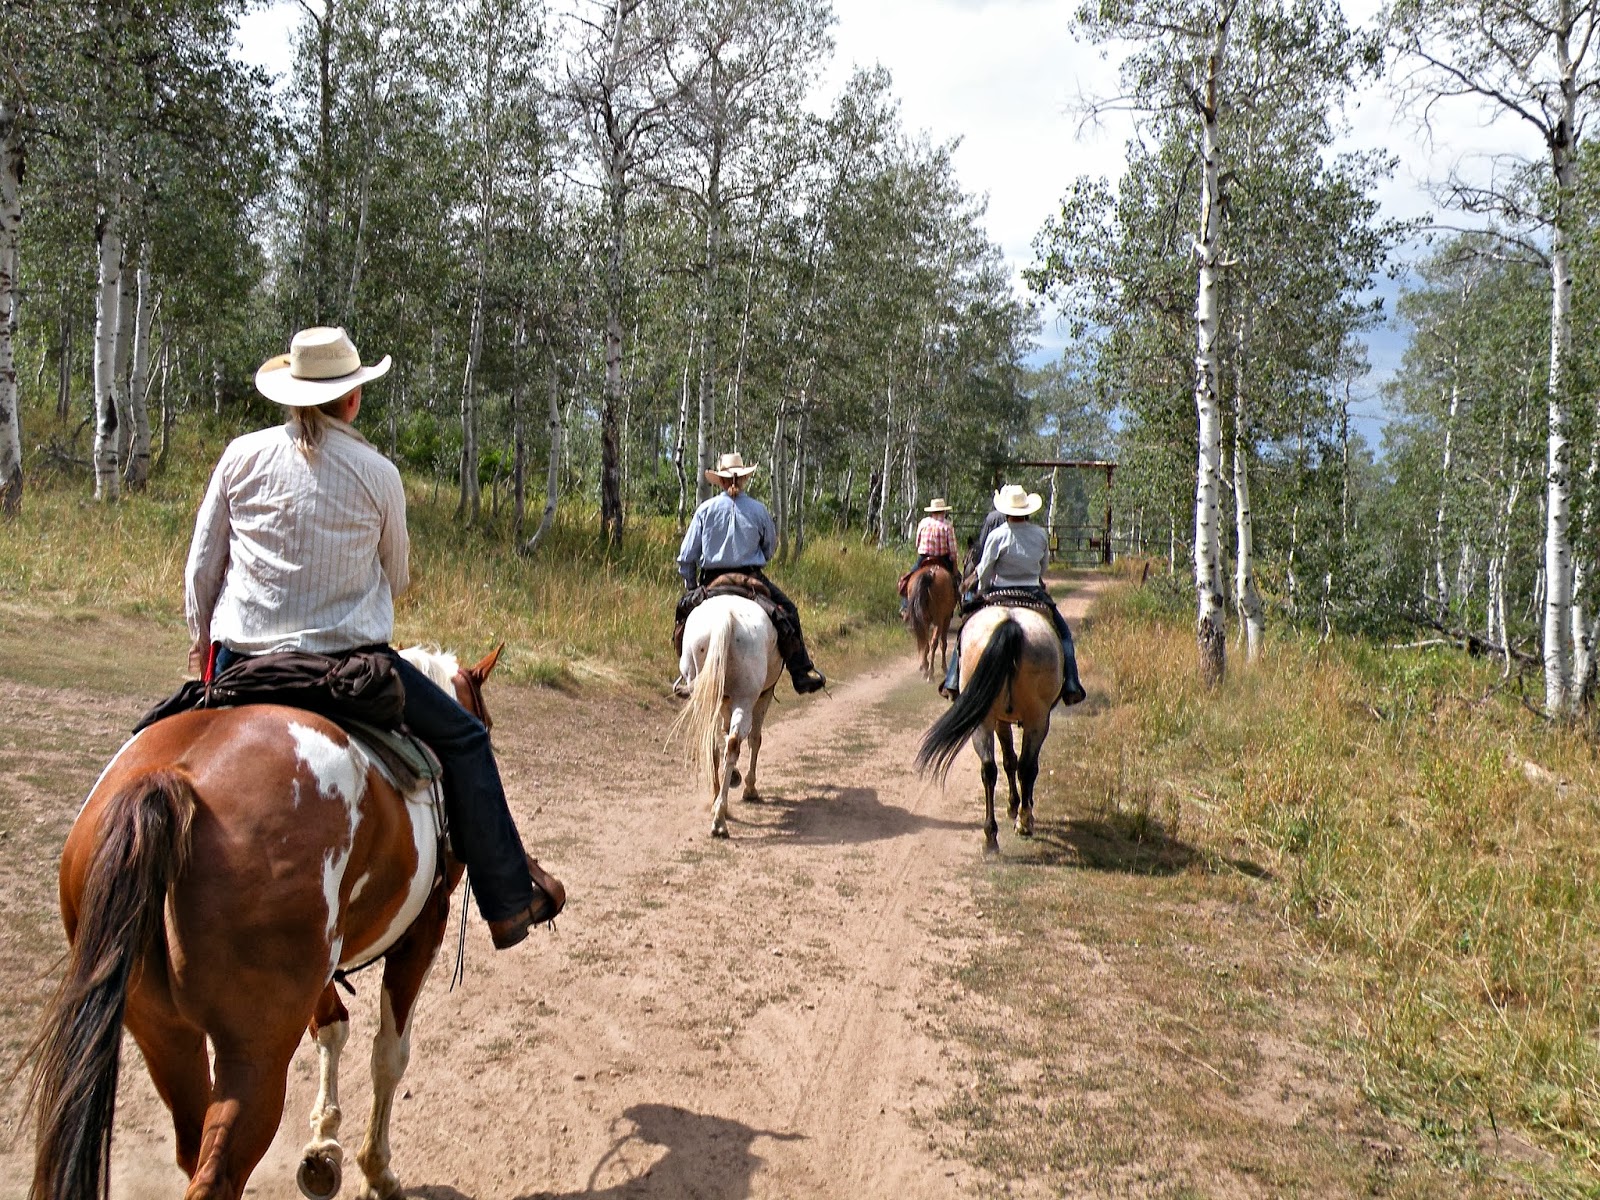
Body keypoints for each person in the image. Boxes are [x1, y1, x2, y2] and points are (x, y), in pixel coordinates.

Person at [185, 326, 564, 951]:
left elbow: (203, 568)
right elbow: (398, 576)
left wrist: (202, 646)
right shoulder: (378, 472)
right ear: (353, 398)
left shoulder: (239, 455)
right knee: (467, 739)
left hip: (240, 664)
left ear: (290, 394)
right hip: (348, 666)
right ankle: (508, 901)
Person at [675, 452, 827, 695]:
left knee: (683, 615)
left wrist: (692, 586)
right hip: (751, 579)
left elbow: (686, 558)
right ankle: (801, 672)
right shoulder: (759, 510)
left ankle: (685, 672)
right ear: (743, 479)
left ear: (721, 481)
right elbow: (769, 549)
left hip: (712, 581)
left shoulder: (705, 510)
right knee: (789, 612)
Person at [941, 483, 1086, 707]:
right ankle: (1072, 684)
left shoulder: (998, 535)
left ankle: (952, 680)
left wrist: (983, 590)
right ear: (1027, 510)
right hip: (1032, 590)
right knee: (1064, 636)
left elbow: (986, 569)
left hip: (999, 590)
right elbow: (1043, 567)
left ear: (1006, 511)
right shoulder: (1040, 535)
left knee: (964, 633)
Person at [899, 498, 958, 613]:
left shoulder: (924, 523)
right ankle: (956, 604)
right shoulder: (947, 526)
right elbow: (953, 551)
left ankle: (905, 606)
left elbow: (917, 543)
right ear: (944, 512)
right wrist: (954, 567)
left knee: (908, 579)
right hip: (943, 559)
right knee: (956, 581)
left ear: (932, 511)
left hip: (924, 558)